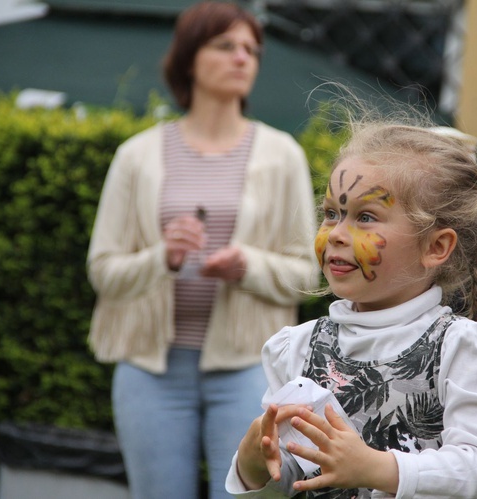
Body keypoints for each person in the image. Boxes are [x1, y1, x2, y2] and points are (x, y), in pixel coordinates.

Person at [224, 104, 477, 497]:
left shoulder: (460, 345)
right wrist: (251, 468)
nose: (335, 234)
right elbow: (292, 481)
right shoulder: (294, 348)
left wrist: (376, 467)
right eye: (331, 213)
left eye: (365, 217)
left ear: (436, 246)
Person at [86, 2, 319, 498]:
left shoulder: (283, 155)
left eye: (252, 50)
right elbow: (102, 270)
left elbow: (307, 272)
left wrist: (247, 265)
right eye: (226, 46)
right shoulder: (136, 155)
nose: (243, 58)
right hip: (150, 370)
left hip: (247, 368)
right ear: (189, 58)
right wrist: (162, 258)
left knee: (249, 494)